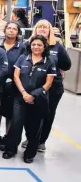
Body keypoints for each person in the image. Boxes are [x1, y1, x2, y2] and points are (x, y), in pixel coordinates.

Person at [3, 35, 56, 163]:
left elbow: (48, 83)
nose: (36, 47)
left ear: (44, 47)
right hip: (20, 98)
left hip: (37, 100)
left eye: (39, 45)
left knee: (34, 127)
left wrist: (33, 95)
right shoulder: (22, 58)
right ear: (30, 45)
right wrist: (23, 93)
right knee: (16, 124)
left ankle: (29, 153)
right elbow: (16, 76)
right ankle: (10, 149)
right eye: (34, 44)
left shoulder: (49, 61)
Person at [30, 20, 71, 152]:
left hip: (54, 88)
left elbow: (66, 64)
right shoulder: (29, 44)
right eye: (39, 27)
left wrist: (58, 68)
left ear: (49, 30)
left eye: (45, 27)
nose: (42, 29)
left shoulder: (57, 46)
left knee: (47, 114)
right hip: (34, 86)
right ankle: (31, 138)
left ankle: (42, 141)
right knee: (31, 113)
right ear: (35, 29)